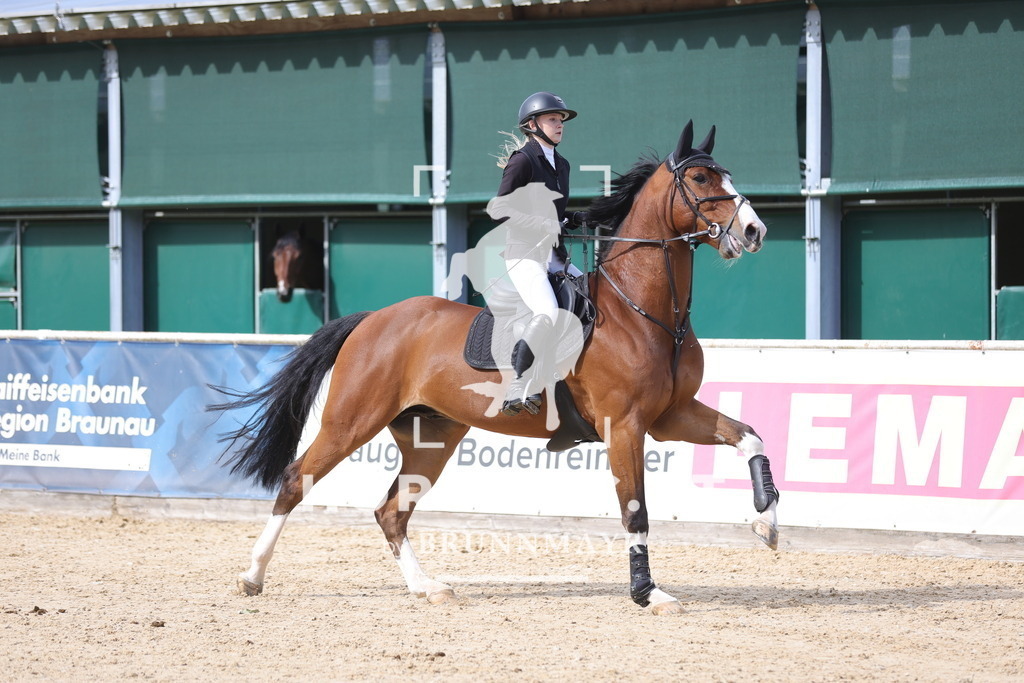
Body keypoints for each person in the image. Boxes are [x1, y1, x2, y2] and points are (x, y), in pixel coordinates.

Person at [494, 91, 588, 417]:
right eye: (552, 119)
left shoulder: (562, 164)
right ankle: (517, 384)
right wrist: (543, 223)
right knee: (547, 310)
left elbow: (553, 212)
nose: (560, 125)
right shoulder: (523, 160)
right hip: (523, 254)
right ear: (532, 124)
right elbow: (500, 208)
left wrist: (571, 218)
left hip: (554, 255)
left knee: (591, 295)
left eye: (561, 120)